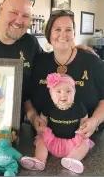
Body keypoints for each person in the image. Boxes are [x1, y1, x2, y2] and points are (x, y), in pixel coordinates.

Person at [0, 0, 96, 138]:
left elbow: (50, 62)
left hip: (12, 131)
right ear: (0, 9)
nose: (19, 20)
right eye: (13, 12)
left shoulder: (30, 43)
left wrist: (73, 48)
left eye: (25, 16)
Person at [25, 10, 104, 149]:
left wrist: (95, 121)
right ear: (49, 34)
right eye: (57, 29)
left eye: (68, 29)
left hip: (85, 141)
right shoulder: (39, 63)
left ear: (74, 34)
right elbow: (26, 96)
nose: (63, 34)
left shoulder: (93, 63)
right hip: (44, 140)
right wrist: (33, 117)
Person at [21, 73, 95, 173]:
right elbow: (43, 120)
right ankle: (39, 160)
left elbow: (84, 118)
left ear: (74, 92)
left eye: (68, 91)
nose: (63, 94)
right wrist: (42, 128)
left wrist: (82, 127)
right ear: (51, 95)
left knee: (84, 144)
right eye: (58, 91)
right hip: (53, 140)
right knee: (41, 141)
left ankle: (73, 159)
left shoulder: (78, 106)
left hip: (73, 141)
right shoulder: (49, 106)